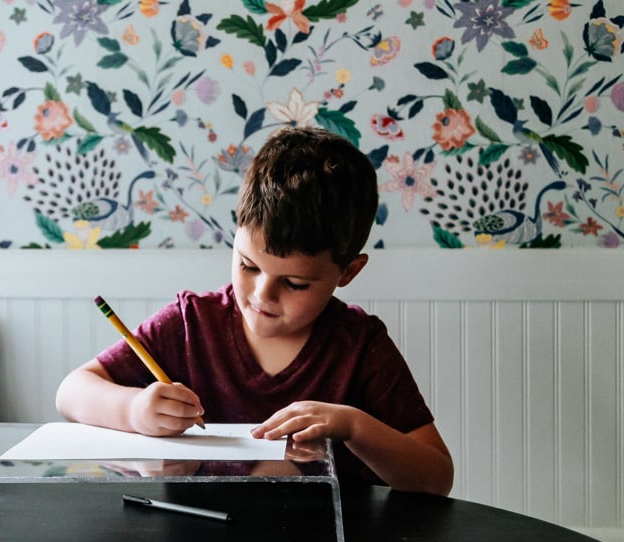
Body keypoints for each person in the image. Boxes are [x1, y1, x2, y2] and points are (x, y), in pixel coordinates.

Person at [55, 127, 453, 495]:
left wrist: (354, 426)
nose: (263, 294)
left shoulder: (359, 346)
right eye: (248, 265)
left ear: (348, 271)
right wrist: (134, 410)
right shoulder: (191, 324)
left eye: (295, 283)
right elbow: (71, 393)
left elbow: (436, 478)